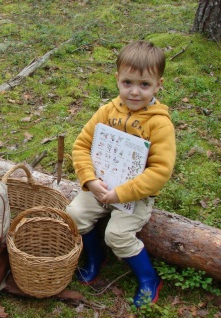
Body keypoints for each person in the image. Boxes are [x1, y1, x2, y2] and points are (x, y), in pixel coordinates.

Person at [66, 40, 176, 307]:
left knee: (117, 234)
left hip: (135, 196)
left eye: (144, 85)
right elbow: (81, 146)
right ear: (117, 79)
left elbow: (160, 171)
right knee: (74, 215)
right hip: (100, 186)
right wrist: (90, 180)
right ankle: (95, 258)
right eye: (128, 83)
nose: (135, 92)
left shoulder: (159, 124)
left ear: (158, 85)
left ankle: (149, 278)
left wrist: (121, 193)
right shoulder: (107, 111)